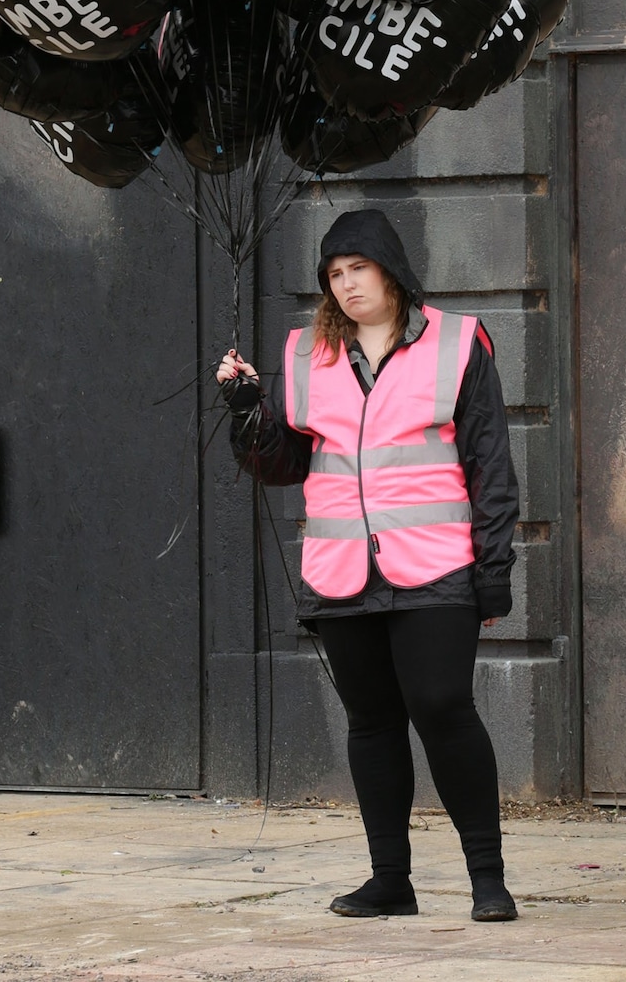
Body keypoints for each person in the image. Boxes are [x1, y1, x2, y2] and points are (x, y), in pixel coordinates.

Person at [217, 208, 520, 923]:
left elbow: (491, 463)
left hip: (437, 567)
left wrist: (494, 567)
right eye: (334, 274)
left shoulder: (456, 342)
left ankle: (488, 878)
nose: (347, 283)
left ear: (390, 267)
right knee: (373, 722)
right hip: (341, 567)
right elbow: (285, 464)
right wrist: (246, 413)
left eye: (358, 267)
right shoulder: (303, 354)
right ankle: (392, 880)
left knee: (443, 707)